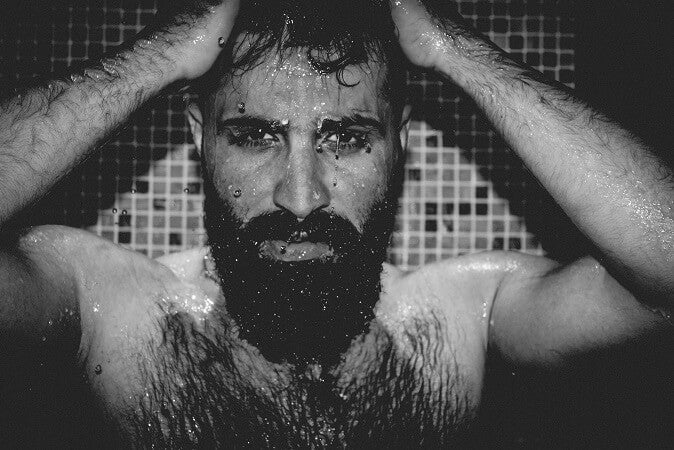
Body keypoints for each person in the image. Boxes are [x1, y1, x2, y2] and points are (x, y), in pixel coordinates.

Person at [0, 0, 672, 446]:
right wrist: (163, 56)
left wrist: (446, 45)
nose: (300, 198)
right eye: (255, 136)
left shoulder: (464, 319)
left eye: (346, 139)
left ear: (399, 143)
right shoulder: (105, 309)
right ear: (199, 138)